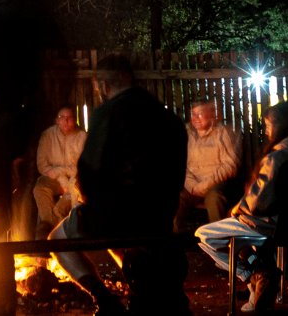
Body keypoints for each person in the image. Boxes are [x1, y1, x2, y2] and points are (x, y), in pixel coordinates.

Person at [51, 54, 191, 315]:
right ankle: (140, 282)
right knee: (128, 243)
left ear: (103, 86)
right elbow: (177, 172)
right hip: (160, 212)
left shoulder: (109, 113)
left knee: (57, 239)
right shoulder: (167, 118)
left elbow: (90, 169)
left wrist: (92, 205)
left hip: (119, 213)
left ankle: (106, 302)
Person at [194, 101, 288, 312]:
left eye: (268, 125)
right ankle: (258, 276)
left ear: (281, 124)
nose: (266, 131)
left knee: (204, 235)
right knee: (243, 241)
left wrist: (237, 210)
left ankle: (254, 273)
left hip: (268, 223)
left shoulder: (280, 155)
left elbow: (259, 201)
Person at [178, 98, 242, 228]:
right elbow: (180, 162)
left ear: (211, 114)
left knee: (214, 199)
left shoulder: (223, 133)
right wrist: (191, 185)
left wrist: (204, 185)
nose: (195, 118)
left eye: (199, 113)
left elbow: (230, 165)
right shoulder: (186, 133)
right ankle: (173, 243)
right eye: (193, 114)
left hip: (214, 184)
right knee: (175, 201)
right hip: (192, 185)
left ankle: (218, 242)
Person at [33, 105, 86, 235]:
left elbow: (81, 167)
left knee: (60, 208)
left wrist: (61, 174)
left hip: (76, 181)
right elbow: (42, 164)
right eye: (62, 117)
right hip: (54, 179)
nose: (66, 121)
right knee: (40, 188)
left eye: (69, 118)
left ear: (75, 120)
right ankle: (52, 231)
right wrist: (61, 178)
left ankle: (47, 234)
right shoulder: (47, 136)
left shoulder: (82, 136)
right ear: (57, 120)